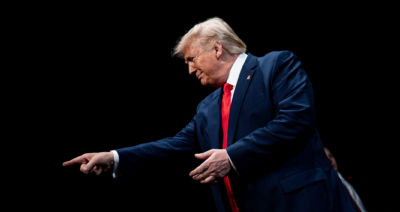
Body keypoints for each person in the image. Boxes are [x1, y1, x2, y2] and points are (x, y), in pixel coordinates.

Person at [63, 17, 358, 212]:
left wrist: (231, 157)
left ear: (217, 48)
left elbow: (296, 119)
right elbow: (175, 145)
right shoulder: (207, 107)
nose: (190, 70)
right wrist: (115, 157)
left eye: (192, 59)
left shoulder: (276, 65)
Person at [324, 147, 368, 212]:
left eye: (330, 156)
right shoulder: (328, 190)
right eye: (325, 158)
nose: (330, 160)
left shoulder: (346, 178)